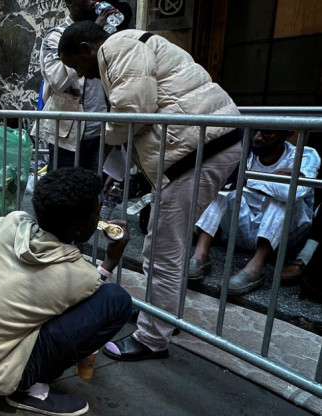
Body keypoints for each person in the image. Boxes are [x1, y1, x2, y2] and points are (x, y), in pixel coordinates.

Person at [58, 22, 243, 361]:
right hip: (202, 147)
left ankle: (153, 338)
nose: (84, 75)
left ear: (87, 48)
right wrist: (120, 166)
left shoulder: (117, 47)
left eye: (77, 65)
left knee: (161, 251)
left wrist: (108, 139)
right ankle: (161, 317)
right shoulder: (130, 45)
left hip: (198, 151)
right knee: (163, 245)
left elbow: (133, 113)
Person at [0, 167, 132, 416]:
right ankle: (27, 386)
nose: (100, 218)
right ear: (78, 228)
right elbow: (93, 292)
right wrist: (110, 261)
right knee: (116, 301)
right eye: (96, 213)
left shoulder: (13, 222)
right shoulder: (78, 275)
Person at [189, 130, 319, 295]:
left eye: (267, 133)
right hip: (245, 230)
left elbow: (294, 192)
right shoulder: (246, 151)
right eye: (255, 132)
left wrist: (245, 180)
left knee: (284, 200)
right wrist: (272, 180)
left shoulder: (305, 155)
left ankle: (256, 267)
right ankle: (200, 256)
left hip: (283, 240)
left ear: (285, 134)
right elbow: (223, 182)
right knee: (223, 192)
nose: (257, 137)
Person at [33, 0, 131, 172]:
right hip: (67, 136)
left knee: (93, 191)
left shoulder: (106, 35)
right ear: (71, 3)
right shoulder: (56, 36)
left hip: (100, 132)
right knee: (64, 190)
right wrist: (88, 39)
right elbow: (57, 80)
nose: (93, 2)